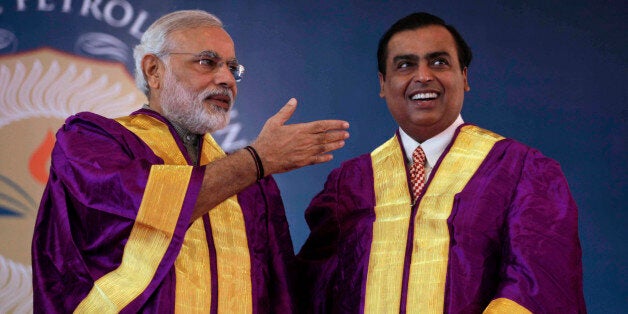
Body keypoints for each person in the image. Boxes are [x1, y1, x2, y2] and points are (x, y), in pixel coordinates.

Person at [31, 10, 349, 313]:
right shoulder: (92, 141)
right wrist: (258, 160)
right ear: (153, 70)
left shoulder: (254, 184)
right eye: (207, 62)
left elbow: (281, 297)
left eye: (233, 68)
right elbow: (144, 208)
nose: (227, 79)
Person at [297, 12, 586, 313]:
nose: (423, 76)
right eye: (405, 64)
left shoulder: (522, 171)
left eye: (438, 62)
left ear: (464, 77)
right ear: (383, 84)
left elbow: (537, 284)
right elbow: (313, 293)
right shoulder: (348, 184)